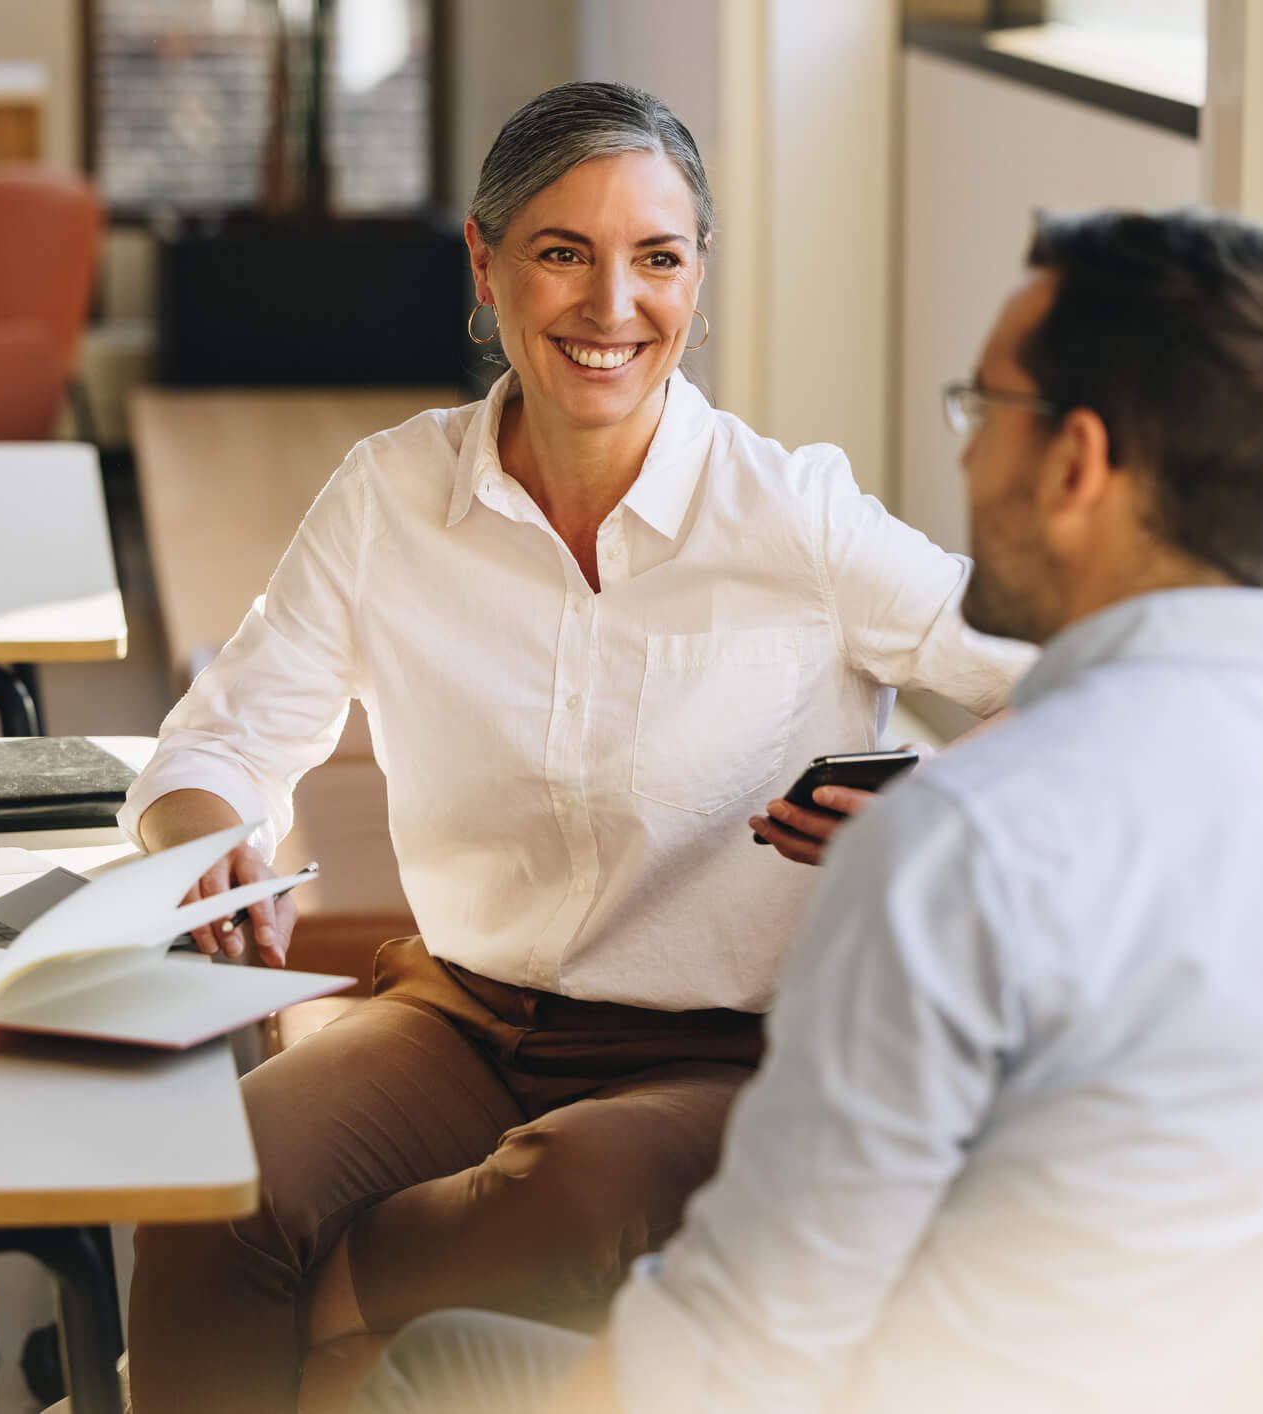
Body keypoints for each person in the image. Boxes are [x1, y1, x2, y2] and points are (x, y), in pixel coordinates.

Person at [353, 209, 1263, 1413]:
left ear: (1075, 461)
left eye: (985, 409)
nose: (964, 449)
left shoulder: (957, 849)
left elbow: (746, 1337)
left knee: (430, 1364)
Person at [117, 81, 1034, 1413]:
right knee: (226, 1178)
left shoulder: (797, 516)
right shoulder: (390, 497)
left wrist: (946, 798)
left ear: (697, 280)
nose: (613, 306)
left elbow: (1077, 686)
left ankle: (300, 1334)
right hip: (464, 1014)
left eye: (656, 259)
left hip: (727, 1053)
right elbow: (220, 738)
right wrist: (209, 841)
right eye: (564, 253)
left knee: (571, 1194)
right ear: (485, 267)